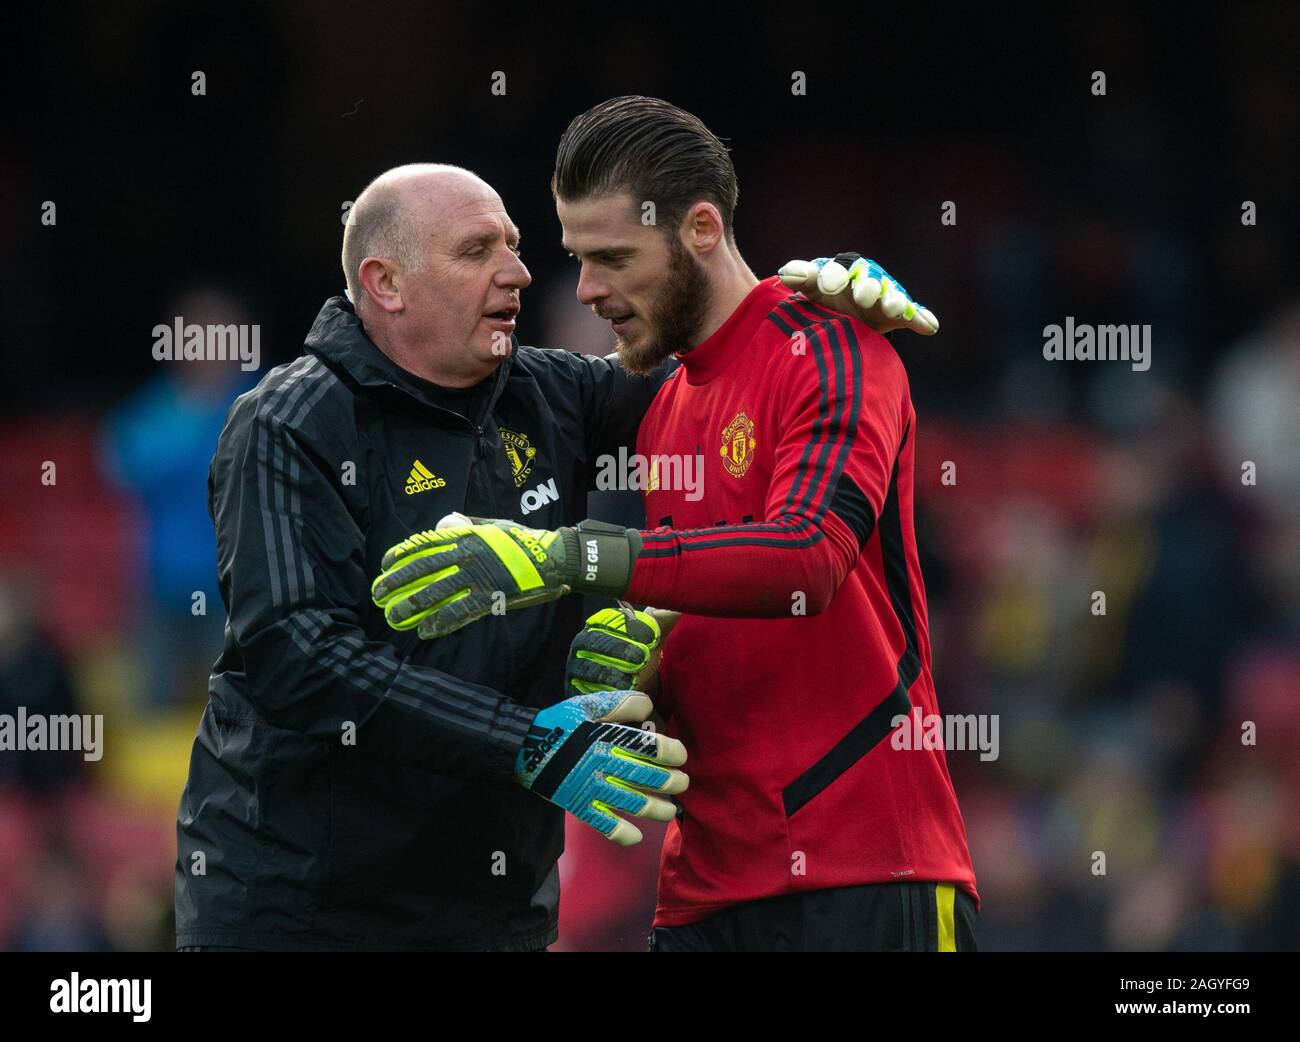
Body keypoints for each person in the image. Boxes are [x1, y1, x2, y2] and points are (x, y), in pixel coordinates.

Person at [175, 161, 916, 951]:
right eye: (476, 250)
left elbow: (735, 383)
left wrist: (808, 315)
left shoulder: (553, 395)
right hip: (301, 910)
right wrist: (525, 740)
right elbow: (300, 660)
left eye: (515, 244)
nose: (519, 272)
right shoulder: (287, 426)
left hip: (495, 910)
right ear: (385, 282)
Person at [372, 98, 978, 952]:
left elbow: (805, 559)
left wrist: (568, 557)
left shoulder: (836, 346)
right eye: (580, 259)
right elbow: (714, 590)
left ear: (700, 227)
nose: (588, 290)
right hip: (701, 892)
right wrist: (648, 667)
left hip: (867, 870)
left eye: (613, 257)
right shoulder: (661, 410)